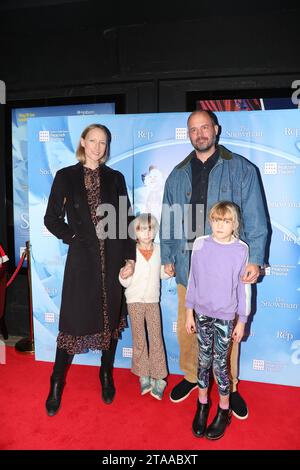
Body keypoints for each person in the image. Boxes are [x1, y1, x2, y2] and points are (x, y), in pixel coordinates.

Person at [160, 110, 268, 419]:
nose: (200, 133)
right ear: (189, 134)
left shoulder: (241, 169)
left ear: (216, 130)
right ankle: (193, 377)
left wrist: (256, 259)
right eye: (194, 129)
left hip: (226, 272)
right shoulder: (177, 174)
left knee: (226, 334)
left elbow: (256, 217)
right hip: (188, 266)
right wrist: (167, 255)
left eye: (204, 127)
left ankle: (228, 387)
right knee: (187, 328)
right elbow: (168, 217)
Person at [44, 123, 136, 416]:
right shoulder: (66, 176)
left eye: (103, 142)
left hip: (112, 259)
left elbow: (125, 219)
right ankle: (56, 382)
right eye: (93, 140)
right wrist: (73, 237)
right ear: (83, 141)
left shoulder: (115, 178)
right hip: (81, 261)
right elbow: (51, 218)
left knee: (108, 318)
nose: (98, 147)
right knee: (72, 322)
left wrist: (130, 257)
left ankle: (105, 374)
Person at [186, 201, 251, 440]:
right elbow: (193, 279)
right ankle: (202, 404)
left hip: (225, 317)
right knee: (202, 361)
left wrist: (242, 320)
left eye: (225, 221)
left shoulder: (241, 249)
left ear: (234, 224)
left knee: (220, 364)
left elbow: (244, 289)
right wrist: (188, 312)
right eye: (216, 220)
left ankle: (224, 410)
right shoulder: (201, 244)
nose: (220, 225)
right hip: (202, 313)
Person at [119, 213, 170, 400]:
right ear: (135, 232)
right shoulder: (130, 251)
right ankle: (143, 374)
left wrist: (168, 271)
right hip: (134, 300)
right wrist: (124, 275)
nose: (146, 233)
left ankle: (160, 376)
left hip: (152, 300)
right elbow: (125, 279)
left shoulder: (159, 250)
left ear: (154, 230)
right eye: (141, 229)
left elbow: (161, 274)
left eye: (149, 228)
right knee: (139, 338)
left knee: (156, 337)